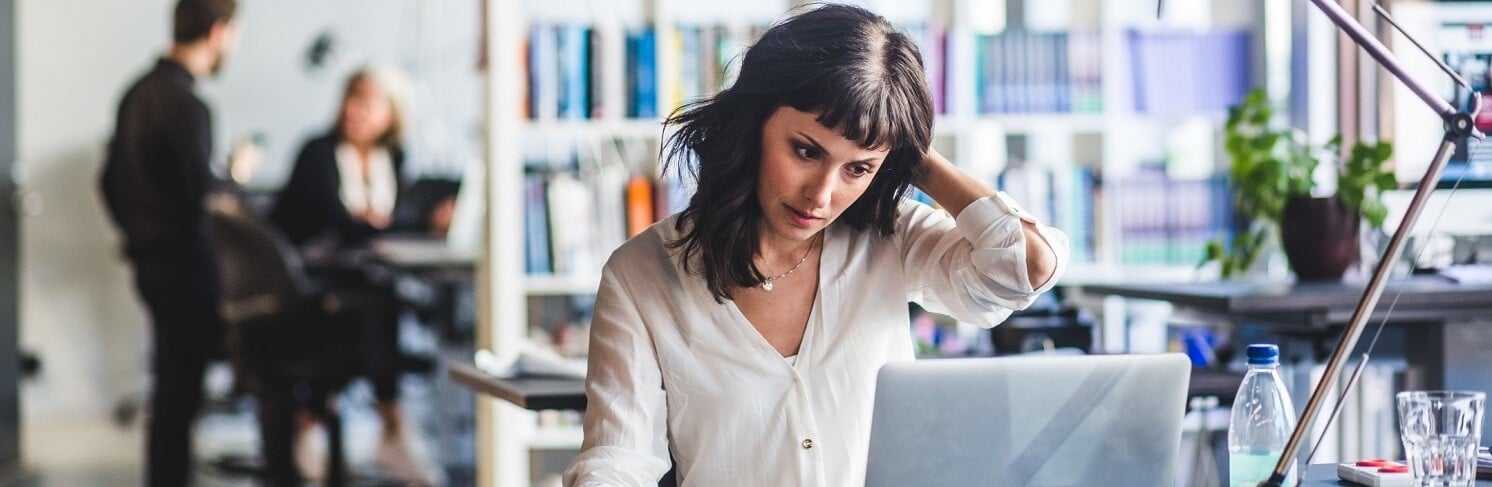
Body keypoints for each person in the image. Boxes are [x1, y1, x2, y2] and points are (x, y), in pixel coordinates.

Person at [562, 5, 1069, 486]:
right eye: (806, 151)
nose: (822, 196)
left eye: (858, 168)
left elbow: (1023, 267)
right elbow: (617, 461)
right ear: (754, 122)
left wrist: (912, 152)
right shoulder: (641, 276)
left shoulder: (888, 235)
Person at [268, 64, 443, 486]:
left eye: (368, 101)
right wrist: (414, 222)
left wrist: (416, 219)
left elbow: (385, 223)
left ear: (392, 114)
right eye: (351, 98)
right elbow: (343, 224)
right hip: (302, 285)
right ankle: (382, 426)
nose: (355, 110)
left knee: (376, 301)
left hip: (356, 283)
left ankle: (327, 420)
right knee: (371, 308)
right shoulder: (317, 153)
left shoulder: (393, 158)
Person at [98, 1, 239, 485]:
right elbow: (205, 195)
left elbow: (108, 181)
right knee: (180, 399)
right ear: (219, 33)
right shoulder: (187, 104)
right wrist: (235, 175)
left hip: (152, 264)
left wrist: (136, 234)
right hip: (186, 270)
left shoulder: (136, 93)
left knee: (170, 398)